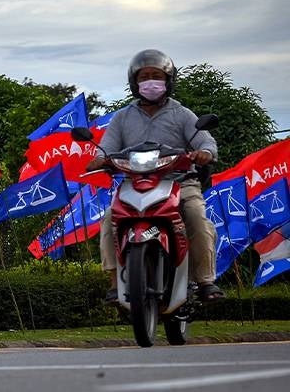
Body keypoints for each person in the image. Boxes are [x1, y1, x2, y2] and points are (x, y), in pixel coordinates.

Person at [90, 49, 224, 303]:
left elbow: (206, 141)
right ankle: (114, 283)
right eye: (144, 77)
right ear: (134, 82)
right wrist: (99, 159)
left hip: (179, 183)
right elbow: (105, 148)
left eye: (157, 76)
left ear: (168, 80)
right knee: (109, 220)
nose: (150, 82)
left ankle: (205, 281)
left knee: (196, 217)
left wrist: (205, 152)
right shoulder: (122, 117)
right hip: (133, 183)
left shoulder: (182, 114)